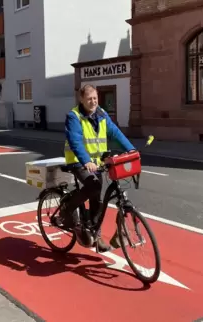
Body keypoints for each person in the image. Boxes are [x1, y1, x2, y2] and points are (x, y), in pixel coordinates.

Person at [60, 84, 136, 253]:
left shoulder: (101, 114)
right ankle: (68, 208)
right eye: (89, 99)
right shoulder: (74, 116)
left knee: (98, 199)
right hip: (78, 161)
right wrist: (86, 160)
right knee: (93, 186)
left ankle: (97, 235)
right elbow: (75, 141)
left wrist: (131, 150)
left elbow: (115, 132)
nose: (93, 101)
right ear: (81, 99)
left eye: (95, 98)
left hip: (97, 163)